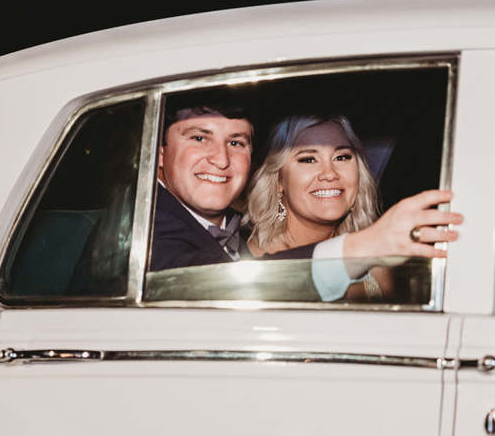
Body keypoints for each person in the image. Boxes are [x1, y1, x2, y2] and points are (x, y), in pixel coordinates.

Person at [149, 104, 462, 300]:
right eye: (199, 138)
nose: (221, 159)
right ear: (279, 181)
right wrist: (364, 246)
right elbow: (211, 290)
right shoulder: (149, 235)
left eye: (236, 142)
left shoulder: (228, 234)